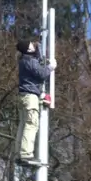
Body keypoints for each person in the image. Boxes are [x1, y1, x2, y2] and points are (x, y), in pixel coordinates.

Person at [15, 39, 57, 167]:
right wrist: (51, 67)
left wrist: (39, 49)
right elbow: (41, 73)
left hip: (23, 96)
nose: (32, 45)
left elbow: (37, 64)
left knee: (23, 125)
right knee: (31, 124)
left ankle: (19, 154)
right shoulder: (29, 61)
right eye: (31, 45)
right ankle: (26, 154)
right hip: (30, 97)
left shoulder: (24, 60)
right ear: (28, 50)